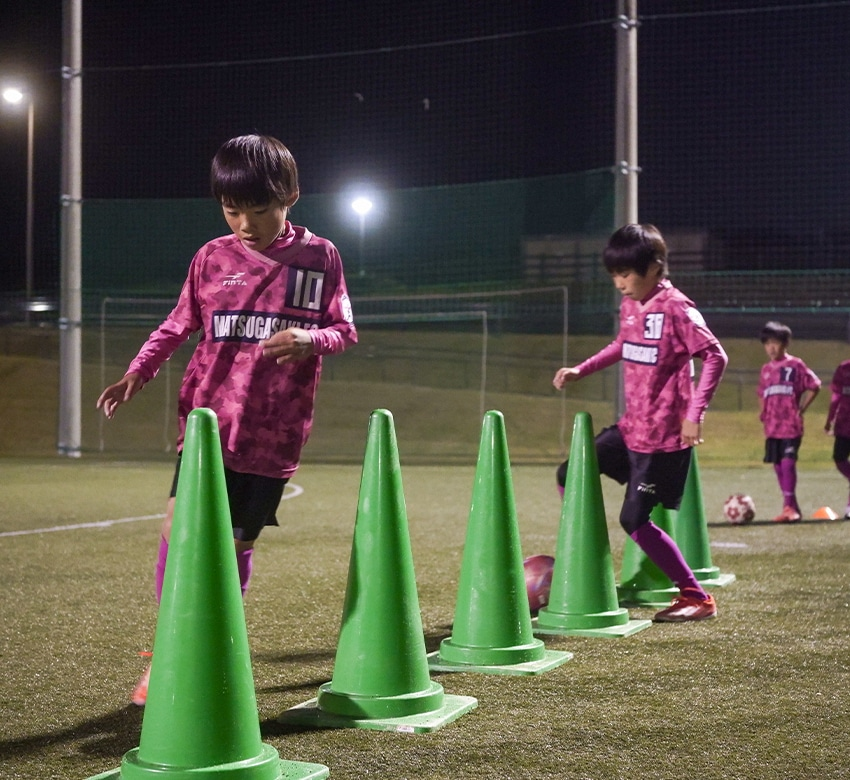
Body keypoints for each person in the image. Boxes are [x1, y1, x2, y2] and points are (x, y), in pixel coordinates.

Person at [97, 134, 357, 704]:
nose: (244, 224)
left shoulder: (320, 258)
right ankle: (169, 651)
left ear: (289, 196)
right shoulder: (211, 258)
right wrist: (139, 370)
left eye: (258, 209)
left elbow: (344, 330)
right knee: (179, 530)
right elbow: (177, 324)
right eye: (231, 209)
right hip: (206, 426)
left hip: (274, 434)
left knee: (235, 546)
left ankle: (214, 648)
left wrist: (311, 339)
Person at [553, 223, 728, 623]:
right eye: (614, 275)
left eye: (626, 274)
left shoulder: (678, 308)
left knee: (633, 519)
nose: (619, 283)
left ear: (654, 267)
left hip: (663, 439)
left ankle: (697, 597)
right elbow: (623, 344)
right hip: (631, 428)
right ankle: (586, 562)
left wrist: (694, 415)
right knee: (570, 473)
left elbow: (716, 356)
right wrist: (582, 369)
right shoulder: (630, 304)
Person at [757, 321, 820, 522]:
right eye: (767, 344)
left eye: (775, 343)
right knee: (778, 466)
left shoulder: (796, 365)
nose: (771, 348)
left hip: (791, 425)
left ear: (785, 344)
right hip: (772, 426)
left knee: (787, 463)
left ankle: (789, 507)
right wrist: (763, 412)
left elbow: (815, 385)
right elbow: (761, 393)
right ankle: (791, 508)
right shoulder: (766, 369)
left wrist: (802, 408)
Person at [823, 357, 850, 519]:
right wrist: (829, 419)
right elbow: (836, 396)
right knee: (839, 458)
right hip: (845, 423)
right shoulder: (844, 368)